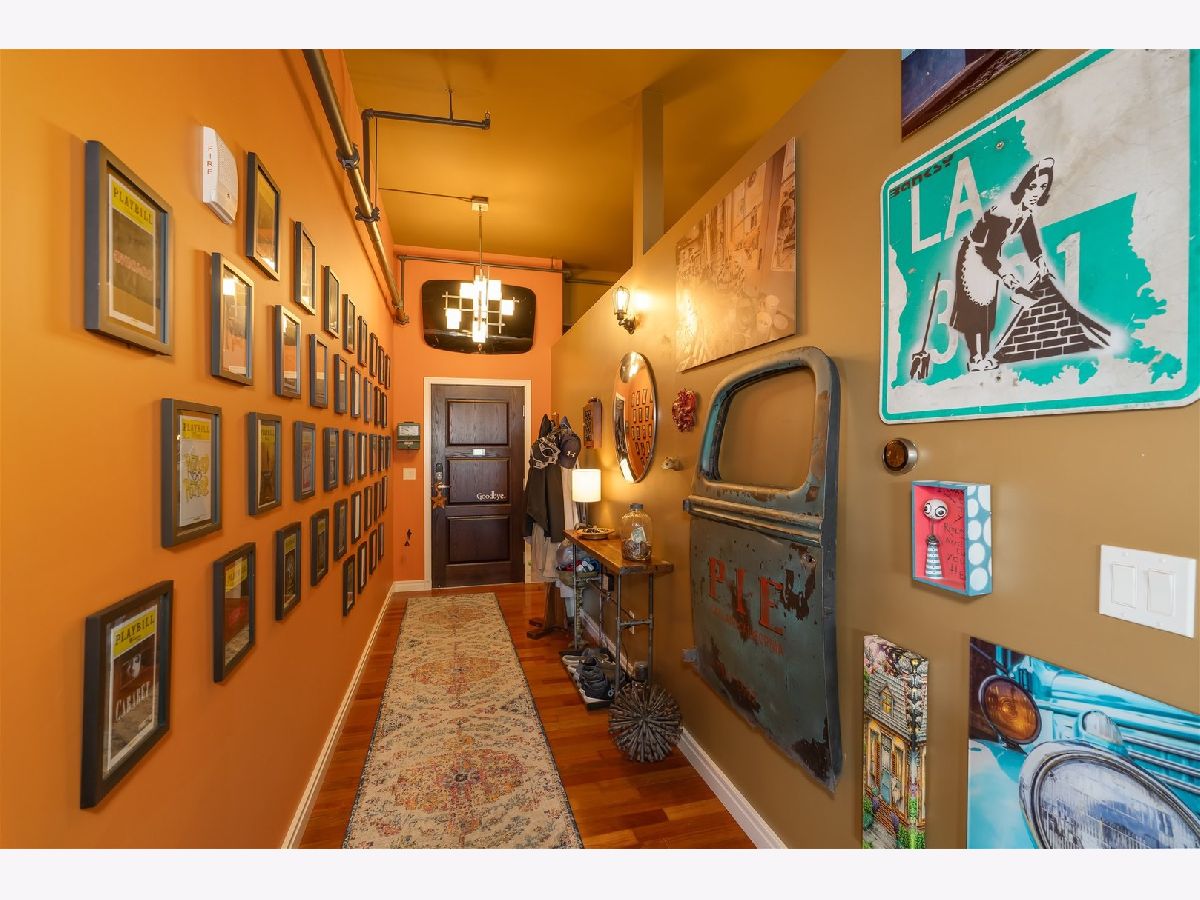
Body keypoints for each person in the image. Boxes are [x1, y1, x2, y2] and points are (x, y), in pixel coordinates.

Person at [950, 157, 1055, 371]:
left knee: (988, 307)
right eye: (1032, 186)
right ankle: (975, 359)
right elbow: (987, 254)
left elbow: (1031, 240)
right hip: (973, 255)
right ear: (1024, 186)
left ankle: (984, 356)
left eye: (1042, 187)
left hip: (990, 255)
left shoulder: (1025, 212)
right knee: (974, 308)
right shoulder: (1004, 212)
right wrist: (1013, 284)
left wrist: (1041, 264)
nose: (1037, 192)